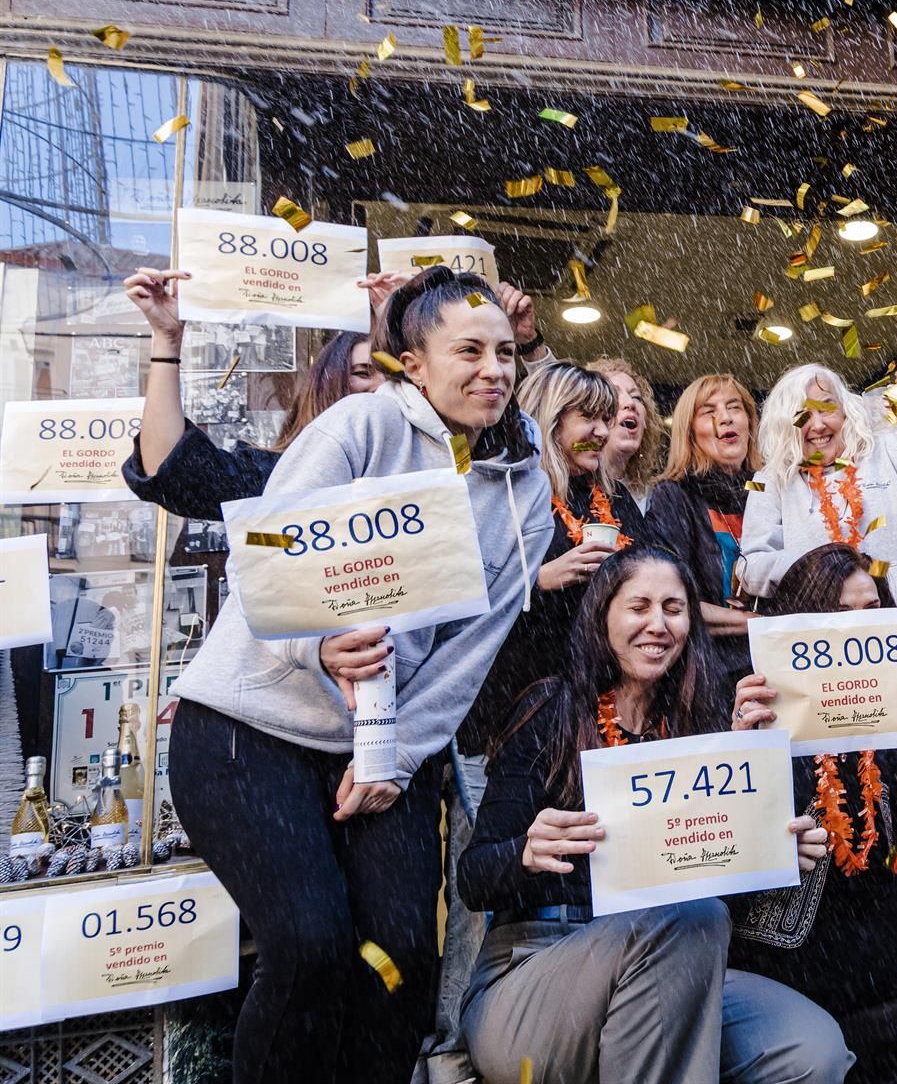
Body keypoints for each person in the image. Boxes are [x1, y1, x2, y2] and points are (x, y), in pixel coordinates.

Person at [165, 267, 554, 1084]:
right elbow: (265, 556)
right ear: (413, 362)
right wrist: (318, 647)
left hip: (382, 749)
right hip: (247, 735)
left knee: (403, 956)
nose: (495, 370)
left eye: (507, 354)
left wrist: (396, 756)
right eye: (470, 351)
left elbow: (466, 656)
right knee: (310, 946)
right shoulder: (359, 427)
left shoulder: (526, 495)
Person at [457, 544, 850, 1084]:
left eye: (673, 608)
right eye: (638, 606)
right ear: (603, 617)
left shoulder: (701, 731)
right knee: (690, 921)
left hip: (678, 959)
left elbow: (720, 899)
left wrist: (765, 846)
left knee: (812, 1049)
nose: (657, 624)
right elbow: (474, 880)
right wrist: (525, 855)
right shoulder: (553, 710)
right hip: (534, 969)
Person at [730, 544, 897, 1083]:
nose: (861, 627)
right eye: (843, 613)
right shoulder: (758, 702)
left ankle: (868, 1055)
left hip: (867, 901)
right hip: (798, 932)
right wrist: (747, 744)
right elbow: (741, 834)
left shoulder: (876, 709)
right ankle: (850, 1053)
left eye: (872, 611)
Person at [462, 362, 635, 756]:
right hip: (512, 709)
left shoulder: (614, 497)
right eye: (588, 417)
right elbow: (459, 597)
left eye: (607, 419)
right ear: (551, 418)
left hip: (597, 709)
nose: (603, 432)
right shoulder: (507, 495)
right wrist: (536, 581)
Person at [120, 264, 387, 515]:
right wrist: (167, 341)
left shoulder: (421, 463)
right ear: (328, 384)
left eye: (395, 377)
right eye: (363, 373)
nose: (381, 387)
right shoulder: (283, 475)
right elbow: (171, 471)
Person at [741, 362, 897, 656]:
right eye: (802, 415)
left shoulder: (888, 447)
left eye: (826, 408)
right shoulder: (771, 480)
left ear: (846, 411)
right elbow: (751, 568)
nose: (818, 424)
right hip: (826, 648)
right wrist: (822, 566)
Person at [658, 373, 764, 678]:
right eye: (709, 412)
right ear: (689, 432)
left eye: (735, 408)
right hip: (708, 674)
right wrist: (759, 622)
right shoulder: (675, 496)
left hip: (779, 664)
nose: (726, 418)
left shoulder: (770, 491)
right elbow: (670, 601)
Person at [589, 357, 668, 502]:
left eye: (636, 397)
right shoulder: (563, 486)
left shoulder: (655, 498)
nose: (630, 403)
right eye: (614, 394)